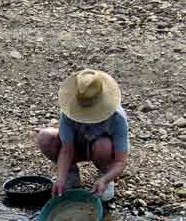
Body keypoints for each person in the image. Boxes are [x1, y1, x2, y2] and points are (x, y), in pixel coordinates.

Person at [35, 69, 129, 201]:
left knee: (103, 145)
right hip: (77, 147)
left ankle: (105, 176)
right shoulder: (69, 111)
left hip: (101, 151)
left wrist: (104, 179)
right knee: (45, 137)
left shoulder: (117, 117)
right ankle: (71, 175)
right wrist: (61, 178)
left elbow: (121, 161)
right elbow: (66, 150)